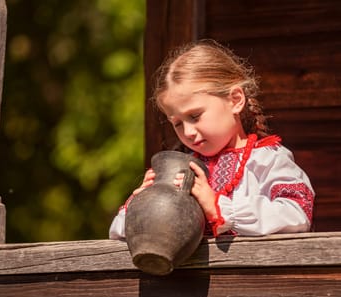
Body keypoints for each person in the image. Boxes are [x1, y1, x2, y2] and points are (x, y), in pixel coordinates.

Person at [109, 39, 314, 239]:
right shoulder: (181, 172)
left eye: (195, 116)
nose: (188, 131)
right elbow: (119, 230)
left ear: (235, 100)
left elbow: (298, 215)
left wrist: (219, 207)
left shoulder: (267, 160)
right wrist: (144, 202)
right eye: (177, 123)